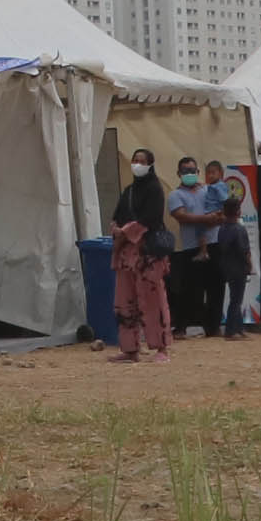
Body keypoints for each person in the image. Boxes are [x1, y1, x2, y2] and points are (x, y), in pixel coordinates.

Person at [110, 148, 171, 362]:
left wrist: (126, 232)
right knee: (125, 301)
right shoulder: (128, 191)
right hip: (126, 255)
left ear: (150, 164)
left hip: (148, 255)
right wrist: (117, 230)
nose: (136, 164)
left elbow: (151, 218)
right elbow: (117, 216)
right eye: (134, 160)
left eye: (141, 161)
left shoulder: (155, 189)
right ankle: (129, 348)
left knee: (153, 300)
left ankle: (161, 347)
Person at [167, 158, 223, 337]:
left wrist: (217, 217)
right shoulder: (175, 195)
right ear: (178, 173)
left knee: (216, 287)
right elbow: (181, 216)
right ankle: (182, 327)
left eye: (193, 170)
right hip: (191, 247)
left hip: (215, 242)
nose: (189, 174)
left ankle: (213, 327)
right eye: (185, 171)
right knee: (190, 289)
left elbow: (222, 210)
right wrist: (206, 219)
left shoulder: (208, 190)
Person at [209, 169, 255, 338]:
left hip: (227, 267)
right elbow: (245, 251)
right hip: (239, 268)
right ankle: (230, 330)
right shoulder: (239, 229)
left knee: (235, 298)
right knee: (236, 300)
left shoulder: (221, 229)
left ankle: (239, 328)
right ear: (238, 212)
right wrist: (249, 266)